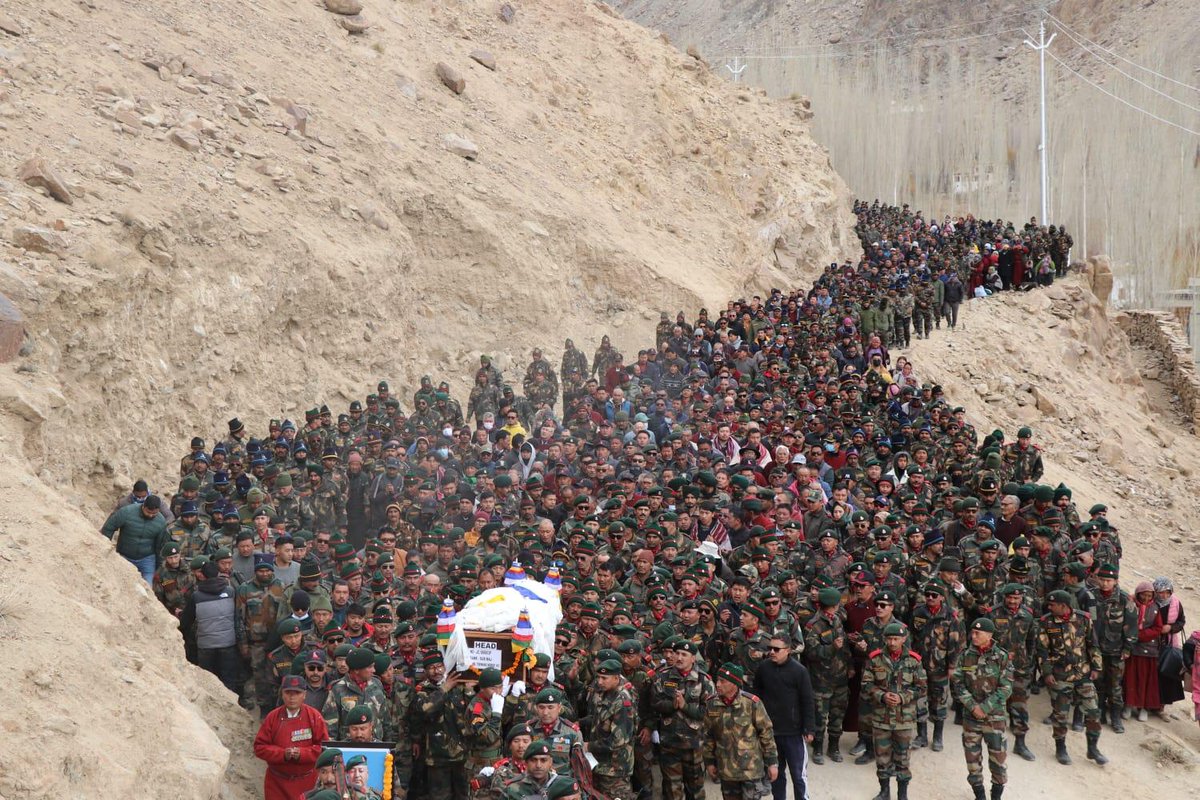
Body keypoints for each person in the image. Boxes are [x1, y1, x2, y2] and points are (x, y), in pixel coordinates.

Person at [1038, 590, 1106, 765]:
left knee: (1093, 711)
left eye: (1053, 605)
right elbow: (1042, 651)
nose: (1049, 607)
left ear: (1064, 605)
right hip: (1060, 675)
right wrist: (1047, 672)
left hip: (1083, 673)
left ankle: (1093, 749)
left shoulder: (1083, 619)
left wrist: (1097, 667)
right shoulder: (1047, 622)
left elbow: (1093, 644)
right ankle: (1061, 748)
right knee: (1060, 714)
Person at [951, 618, 1012, 800]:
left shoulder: (1001, 657)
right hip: (971, 718)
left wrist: (985, 707)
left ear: (990, 635)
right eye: (972, 632)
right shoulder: (965, 655)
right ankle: (980, 796)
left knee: (998, 760)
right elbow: (958, 682)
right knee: (972, 761)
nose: (973, 636)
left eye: (978, 633)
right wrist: (972, 706)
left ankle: (996, 796)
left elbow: (1006, 687)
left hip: (994, 718)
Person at [863, 622, 924, 800]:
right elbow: (866, 684)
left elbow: (922, 687)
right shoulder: (875, 659)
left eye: (896, 639)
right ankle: (884, 792)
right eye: (889, 639)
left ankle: (902, 794)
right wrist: (882, 695)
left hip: (904, 719)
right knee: (882, 758)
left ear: (904, 639)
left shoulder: (914, 660)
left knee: (903, 759)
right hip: (881, 718)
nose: (892, 642)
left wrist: (903, 697)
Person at [650, 640, 715, 800]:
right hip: (670, 744)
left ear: (693, 658)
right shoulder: (663, 677)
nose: (679, 657)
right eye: (676, 653)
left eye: (684, 655)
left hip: (694, 745)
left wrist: (685, 706)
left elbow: (708, 713)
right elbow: (656, 703)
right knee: (672, 790)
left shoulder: (703, 680)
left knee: (695, 790)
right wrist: (672, 705)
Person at [753, 636, 816, 800]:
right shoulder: (763, 668)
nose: (771, 652)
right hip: (771, 733)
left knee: (798, 776)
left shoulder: (799, 671)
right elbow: (756, 697)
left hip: (793, 733)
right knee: (776, 775)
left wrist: (809, 728)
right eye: (770, 648)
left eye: (776, 649)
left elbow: (807, 701)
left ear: (788, 650)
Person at [704, 662, 778, 800]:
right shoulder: (711, 704)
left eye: (722, 681)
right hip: (726, 771)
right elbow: (708, 736)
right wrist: (709, 762)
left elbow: (766, 734)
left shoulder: (751, 703)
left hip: (751, 771)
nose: (718, 684)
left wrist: (772, 763)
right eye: (717, 680)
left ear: (734, 684)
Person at [253, 674, 328, 800]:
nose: (292, 697)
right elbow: (259, 747)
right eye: (288, 692)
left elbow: (324, 747)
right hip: (277, 784)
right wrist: (282, 754)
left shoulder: (314, 717)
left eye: (297, 693)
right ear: (282, 694)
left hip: (307, 783)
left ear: (304, 695)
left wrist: (302, 754)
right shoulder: (272, 717)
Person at [181, 560, 243, 693]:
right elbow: (237, 618)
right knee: (228, 679)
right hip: (228, 643)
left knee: (207, 680)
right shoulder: (231, 592)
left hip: (205, 646)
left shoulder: (196, 596)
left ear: (202, 575)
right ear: (219, 573)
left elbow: (186, 621)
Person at [585, 659, 636, 800]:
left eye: (604, 678)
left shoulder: (622, 701)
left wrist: (589, 746)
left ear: (616, 678)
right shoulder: (606, 694)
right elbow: (598, 720)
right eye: (598, 677)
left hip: (615, 770)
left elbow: (619, 740)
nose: (600, 682)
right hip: (601, 766)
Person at [100, 493, 170, 583]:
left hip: (147, 559)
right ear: (143, 506)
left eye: (154, 513)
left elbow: (160, 546)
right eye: (148, 512)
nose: (151, 515)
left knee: (148, 587)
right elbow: (109, 527)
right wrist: (106, 548)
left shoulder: (161, 522)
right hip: (124, 556)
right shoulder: (127, 512)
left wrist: (159, 566)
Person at [1125, 581, 1163, 721]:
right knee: (1131, 679)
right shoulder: (1131, 604)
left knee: (1146, 681)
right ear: (1138, 593)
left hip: (1148, 651)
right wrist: (1132, 635)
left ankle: (1143, 708)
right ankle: (1128, 705)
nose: (1146, 598)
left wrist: (1139, 635)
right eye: (1143, 595)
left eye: (1149, 595)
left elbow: (1158, 628)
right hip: (1132, 649)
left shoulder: (1155, 608)